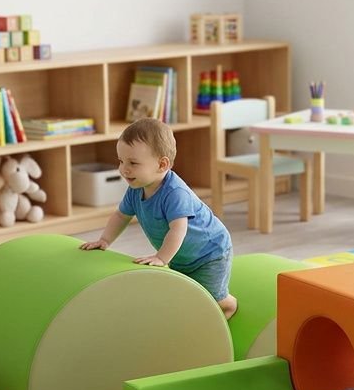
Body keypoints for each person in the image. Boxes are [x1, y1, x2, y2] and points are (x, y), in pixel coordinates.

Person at [80, 118, 238, 318]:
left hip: (210, 253)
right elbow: (121, 215)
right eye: (121, 161)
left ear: (162, 164)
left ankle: (229, 304)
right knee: (186, 296)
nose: (124, 169)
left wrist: (161, 258)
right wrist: (104, 240)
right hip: (182, 256)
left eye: (133, 163)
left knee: (210, 298)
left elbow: (178, 229)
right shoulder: (136, 189)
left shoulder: (175, 193)